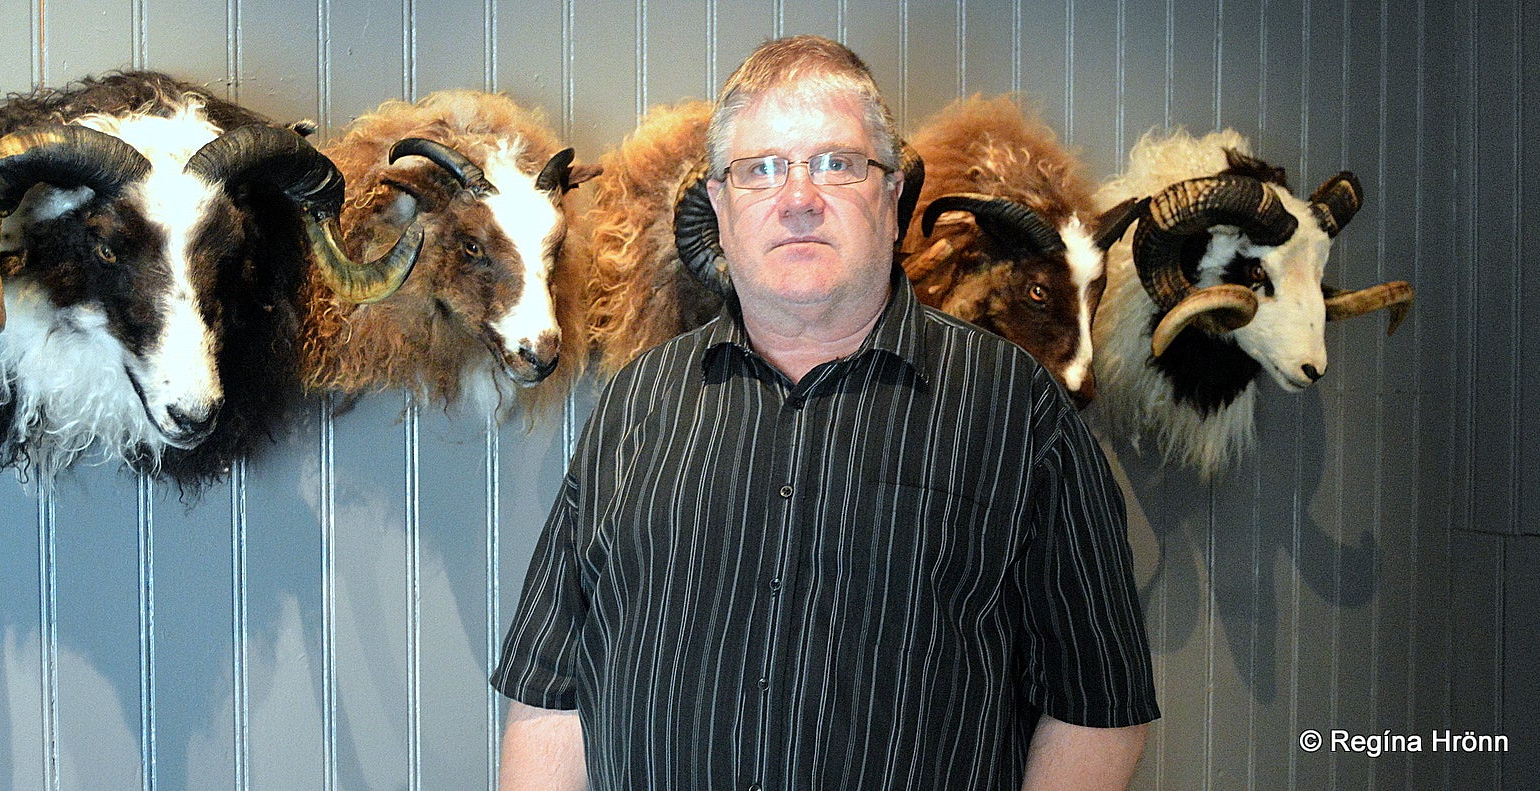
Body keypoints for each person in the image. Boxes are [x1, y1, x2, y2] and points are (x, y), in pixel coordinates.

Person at [491, 35, 1159, 790]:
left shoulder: (1015, 407)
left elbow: (1100, 705)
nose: (799, 197)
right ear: (720, 203)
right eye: (762, 169)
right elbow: (550, 693)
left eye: (838, 163)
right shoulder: (636, 403)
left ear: (893, 192)